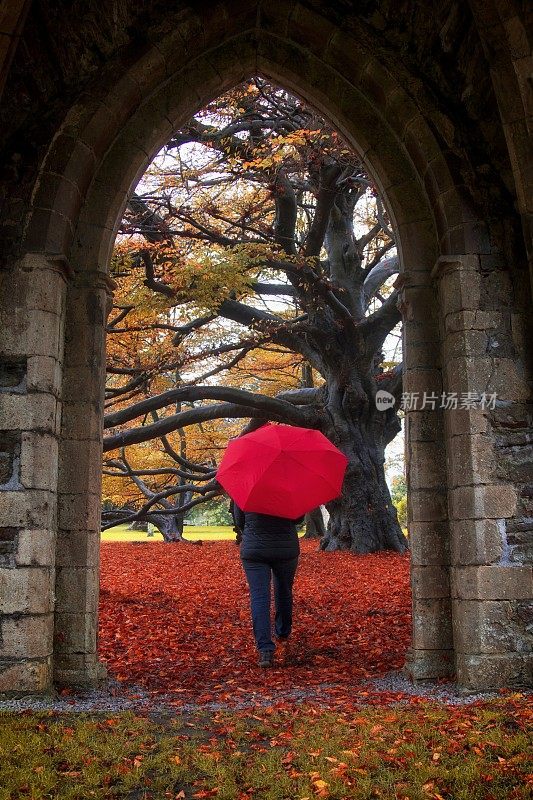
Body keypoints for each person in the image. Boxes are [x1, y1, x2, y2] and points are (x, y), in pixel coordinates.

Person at [231, 500, 303, 668]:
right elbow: (298, 519)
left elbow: (239, 521)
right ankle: (283, 630)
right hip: (285, 548)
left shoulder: (245, 488)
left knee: (259, 597)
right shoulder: (289, 487)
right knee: (284, 591)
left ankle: (265, 649)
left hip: (255, 549)